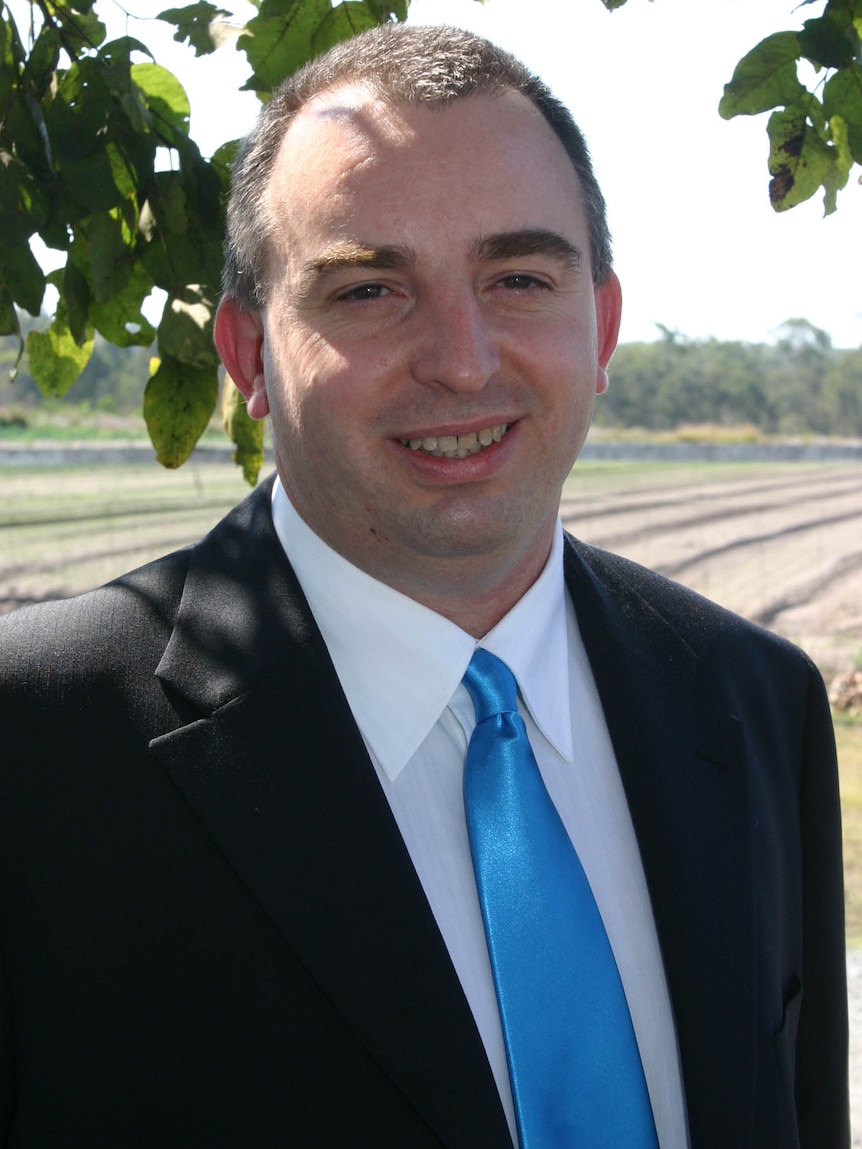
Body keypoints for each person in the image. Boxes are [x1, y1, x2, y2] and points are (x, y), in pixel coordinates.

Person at [0, 22, 848, 1149]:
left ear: (598, 326)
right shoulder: (35, 748)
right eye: (366, 292)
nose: (461, 357)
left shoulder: (754, 702)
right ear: (250, 358)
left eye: (518, 277)